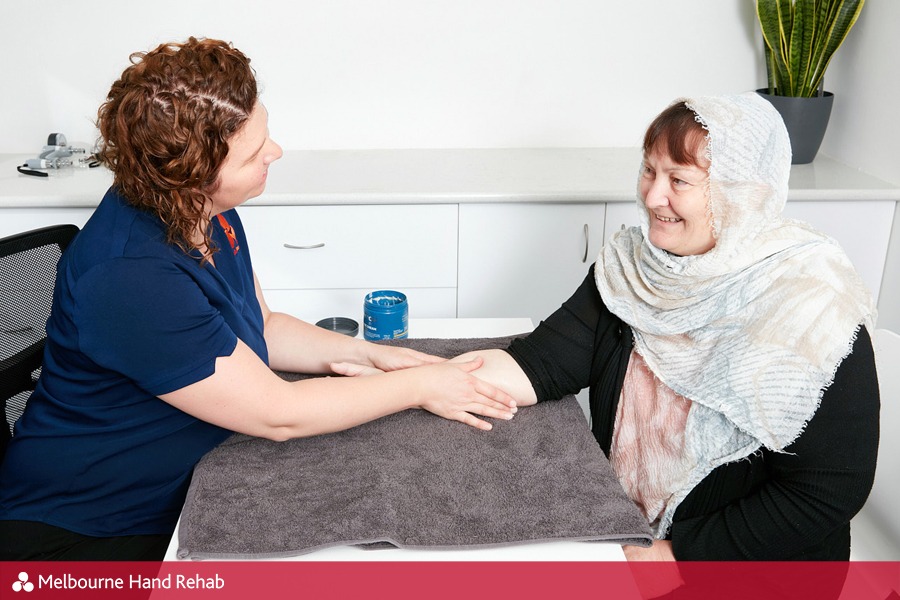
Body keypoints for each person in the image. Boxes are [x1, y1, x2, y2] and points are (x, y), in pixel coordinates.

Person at [0, 37, 516, 561]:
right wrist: (419, 386)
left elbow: (261, 327)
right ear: (190, 174)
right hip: (88, 526)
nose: (276, 152)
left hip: (184, 482)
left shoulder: (208, 214)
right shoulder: (131, 277)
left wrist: (367, 354)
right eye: (254, 152)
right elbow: (279, 414)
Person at [337, 93, 880, 565]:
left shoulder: (812, 308)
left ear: (743, 194)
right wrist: (410, 381)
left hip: (740, 564)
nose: (651, 197)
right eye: (648, 170)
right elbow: (539, 365)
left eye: (679, 180)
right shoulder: (632, 271)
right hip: (629, 532)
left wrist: (679, 555)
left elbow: (828, 490)